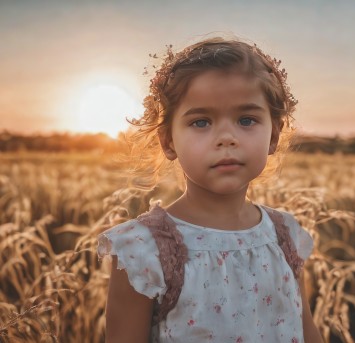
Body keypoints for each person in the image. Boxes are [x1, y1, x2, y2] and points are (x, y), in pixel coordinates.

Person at [97, 35, 324, 343]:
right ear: (168, 141)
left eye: (246, 119)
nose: (226, 137)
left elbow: (305, 329)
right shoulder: (145, 250)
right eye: (201, 122)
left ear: (273, 136)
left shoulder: (285, 235)